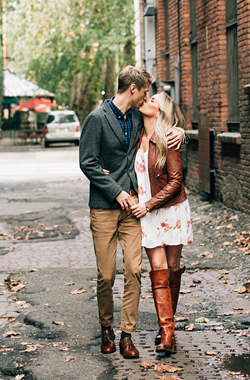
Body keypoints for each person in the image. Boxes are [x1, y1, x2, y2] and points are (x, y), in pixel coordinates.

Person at [79, 67, 183, 359]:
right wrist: (115, 189)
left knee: (135, 271)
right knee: (106, 274)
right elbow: (87, 162)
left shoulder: (139, 117)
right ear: (133, 89)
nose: (147, 97)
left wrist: (182, 133)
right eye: (145, 91)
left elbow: (162, 128)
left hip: (133, 209)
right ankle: (106, 329)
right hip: (104, 207)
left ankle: (127, 335)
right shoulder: (96, 119)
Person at [130, 92, 192, 355]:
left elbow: (176, 180)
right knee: (158, 267)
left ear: (161, 111)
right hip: (147, 212)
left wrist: (181, 132)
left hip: (171, 209)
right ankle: (167, 332)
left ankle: (168, 326)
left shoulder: (169, 138)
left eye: (154, 99)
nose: (147, 100)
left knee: (173, 267)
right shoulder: (134, 134)